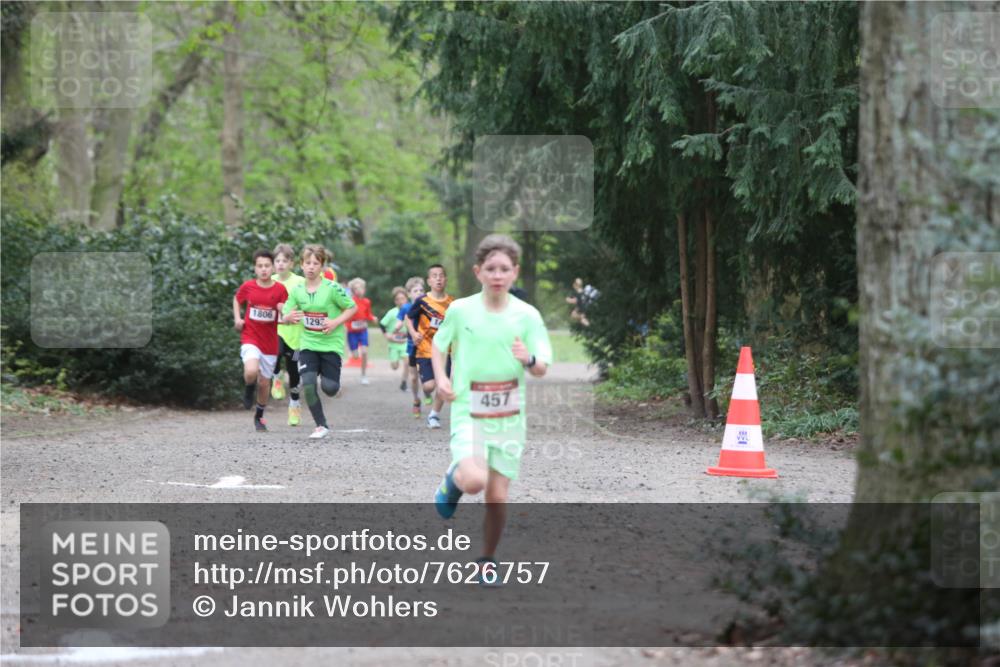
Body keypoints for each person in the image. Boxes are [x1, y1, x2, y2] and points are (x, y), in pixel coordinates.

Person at [430, 234, 552, 581]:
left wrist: (527, 358)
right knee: (474, 480)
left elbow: (542, 366)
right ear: (478, 272)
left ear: (515, 272)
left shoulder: (527, 316)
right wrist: (441, 378)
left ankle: (486, 560)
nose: (498, 275)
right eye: (491, 269)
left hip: (510, 417)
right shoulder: (460, 309)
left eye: (505, 269)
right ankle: (453, 482)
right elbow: (439, 347)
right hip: (469, 410)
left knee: (497, 495)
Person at [281, 245, 357, 439]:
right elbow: (285, 312)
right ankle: (321, 425)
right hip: (308, 344)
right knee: (307, 383)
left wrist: (334, 322)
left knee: (329, 388)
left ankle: (335, 386)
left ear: (322, 266)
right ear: (301, 265)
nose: (311, 267)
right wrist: (288, 317)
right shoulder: (297, 291)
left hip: (330, 345)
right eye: (308, 263)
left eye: (316, 263)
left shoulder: (332, 289)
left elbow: (351, 308)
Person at [233, 249, 289, 432]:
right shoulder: (248, 286)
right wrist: (237, 319)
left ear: (272, 267)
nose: (264, 269)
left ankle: (259, 415)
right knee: (251, 371)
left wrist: (285, 314)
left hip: (270, 343)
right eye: (260, 266)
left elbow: (284, 308)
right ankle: (249, 387)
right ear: (255, 268)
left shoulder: (280, 289)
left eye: (267, 266)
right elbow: (237, 299)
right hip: (250, 337)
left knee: (264, 383)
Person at [405, 264, 454, 429]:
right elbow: (408, 317)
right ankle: (425, 389)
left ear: (445, 279)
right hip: (424, 349)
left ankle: (434, 415)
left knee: (443, 385)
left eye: (441, 275)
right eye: (434, 276)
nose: (438, 278)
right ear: (429, 281)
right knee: (429, 386)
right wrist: (413, 333)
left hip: (443, 351)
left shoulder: (452, 303)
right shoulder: (422, 301)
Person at [271, 244, 305, 426]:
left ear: (291, 263)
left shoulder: (300, 281)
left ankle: (294, 403)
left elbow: (307, 302)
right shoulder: (270, 280)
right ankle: (276, 377)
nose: (281, 264)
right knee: (275, 352)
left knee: (293, 370)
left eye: (285, 260)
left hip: (296, 333)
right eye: (277, 261)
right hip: (276, 329)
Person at [397, 277, 426, 416]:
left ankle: (427, 389)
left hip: (427, 345)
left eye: (421, 290)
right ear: (409, 294)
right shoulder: (406, 307)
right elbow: (399, 323)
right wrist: (397, 330)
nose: (419, 293)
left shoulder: (428, 306)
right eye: (415, 291)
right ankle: (416, 400)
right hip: (411, 345)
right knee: (414, 377)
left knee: (427, 376)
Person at [346, 277, 378, 385]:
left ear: (364, 289)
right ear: (353, 291)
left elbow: (368, 314)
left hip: (363, 331)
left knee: (364, 352)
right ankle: (353, 351)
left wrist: (372, 318)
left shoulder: (366, 301)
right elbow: (346, 315)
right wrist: (349, 325)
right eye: (356, 288)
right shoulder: (350, 302)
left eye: (361, 288)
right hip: (352, 332)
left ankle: (363, 375)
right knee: (355, 355)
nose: (359, 290)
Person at [380, 286, 410, 391]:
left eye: (403, 298)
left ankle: (404, 382)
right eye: (398, 299)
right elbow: (382, 324)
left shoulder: (410, 311)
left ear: (407, 298)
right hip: (393, 343)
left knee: (407, 362)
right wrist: (386, 335)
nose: (401, 301)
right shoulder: (392, 312)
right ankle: (394, 362)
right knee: (395, 366)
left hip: (405, 342)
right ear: (395, 301)